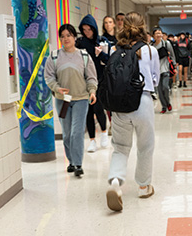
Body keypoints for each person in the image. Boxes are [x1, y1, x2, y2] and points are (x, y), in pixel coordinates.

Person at [106, 12, 160, 212]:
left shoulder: (115, 48)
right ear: (143, 26)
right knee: (145, 146)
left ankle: (115, 183)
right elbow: (154, 80)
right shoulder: (150, 50)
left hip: (120, 106)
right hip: (142, 101)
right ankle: (144, 187)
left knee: (120, 147)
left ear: (123, 26)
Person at [44, 24, 97, 177]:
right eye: (62, 36)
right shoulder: (54, 56)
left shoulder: (84, 56)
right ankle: (71, 161)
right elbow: (49, 77)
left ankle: (78, 164)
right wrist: (57, 88)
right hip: (63, 100)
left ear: (74, 37)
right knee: (67, 134)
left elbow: (91, 77)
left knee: (77, 132)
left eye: (68, 35)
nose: (65, 38)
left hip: (81, 98)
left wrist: (92, 91)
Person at [77, 14, 109, 153]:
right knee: (88, 111)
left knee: (98, 108)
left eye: (89, 29)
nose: (86, 32)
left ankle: (103, 131)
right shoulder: (80, 42)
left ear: (94, 29)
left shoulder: (102, 41)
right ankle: (91, 140)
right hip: (84, 81)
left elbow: (108, 60)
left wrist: (100, 53)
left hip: (99, 80)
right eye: (84, 30)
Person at [152, 26, 176, 113]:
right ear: (153, 36)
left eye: (160, 33)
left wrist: (174, 65)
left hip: (165, 69)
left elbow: (172, 55)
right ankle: (164, 107)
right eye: (156, 33)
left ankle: (168, 103)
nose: (158, 35)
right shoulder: (152, 46)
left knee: (165, 87)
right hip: (156, 71)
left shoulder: (166, 44)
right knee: (159, 90)